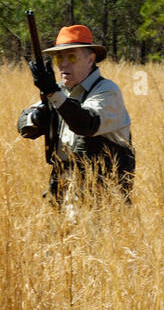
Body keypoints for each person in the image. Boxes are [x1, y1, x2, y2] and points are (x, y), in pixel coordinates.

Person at [17, 24, 135, 206]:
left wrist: (52, 94)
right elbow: (25, 127)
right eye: (59, 58)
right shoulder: (60, 91)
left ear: (90, 59)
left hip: (103, 199)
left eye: (71, 56)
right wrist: (38, 117)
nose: (63, 64)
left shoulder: (106, 91)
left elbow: (86, 123)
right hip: (64, 193)